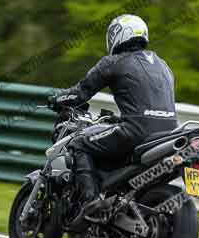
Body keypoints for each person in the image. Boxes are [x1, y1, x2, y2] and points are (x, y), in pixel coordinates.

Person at [48, 14, 178, 212]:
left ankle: (90, 203)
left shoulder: (114, 62)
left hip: (136, 132)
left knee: (79, 143)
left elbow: (80, 93)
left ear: (118, 36)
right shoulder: (163, 65)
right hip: (168, 134)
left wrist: (57, 99)